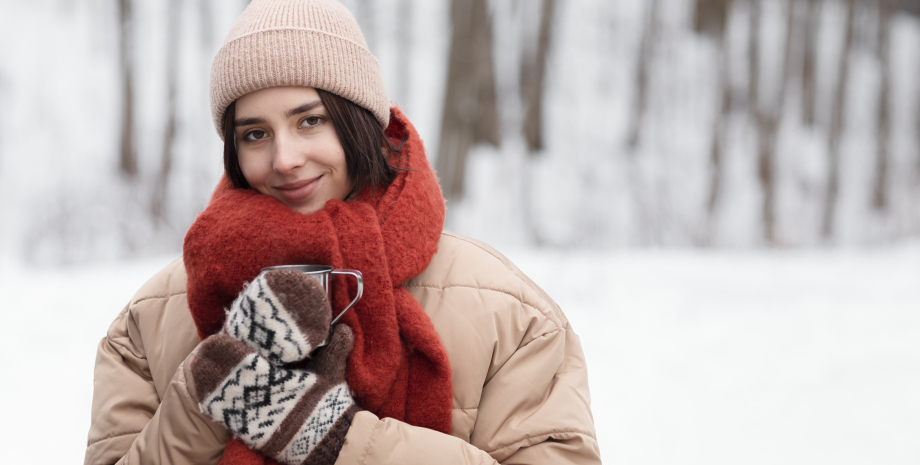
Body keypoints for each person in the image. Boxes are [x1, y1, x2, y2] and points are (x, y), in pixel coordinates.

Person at [84, 0, 601, 464]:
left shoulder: (510, 316)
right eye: (256, 134)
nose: (285, 159)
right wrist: (209, 395)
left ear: (358, 123)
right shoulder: (149, 322)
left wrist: (333, 440)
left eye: (310, 121)